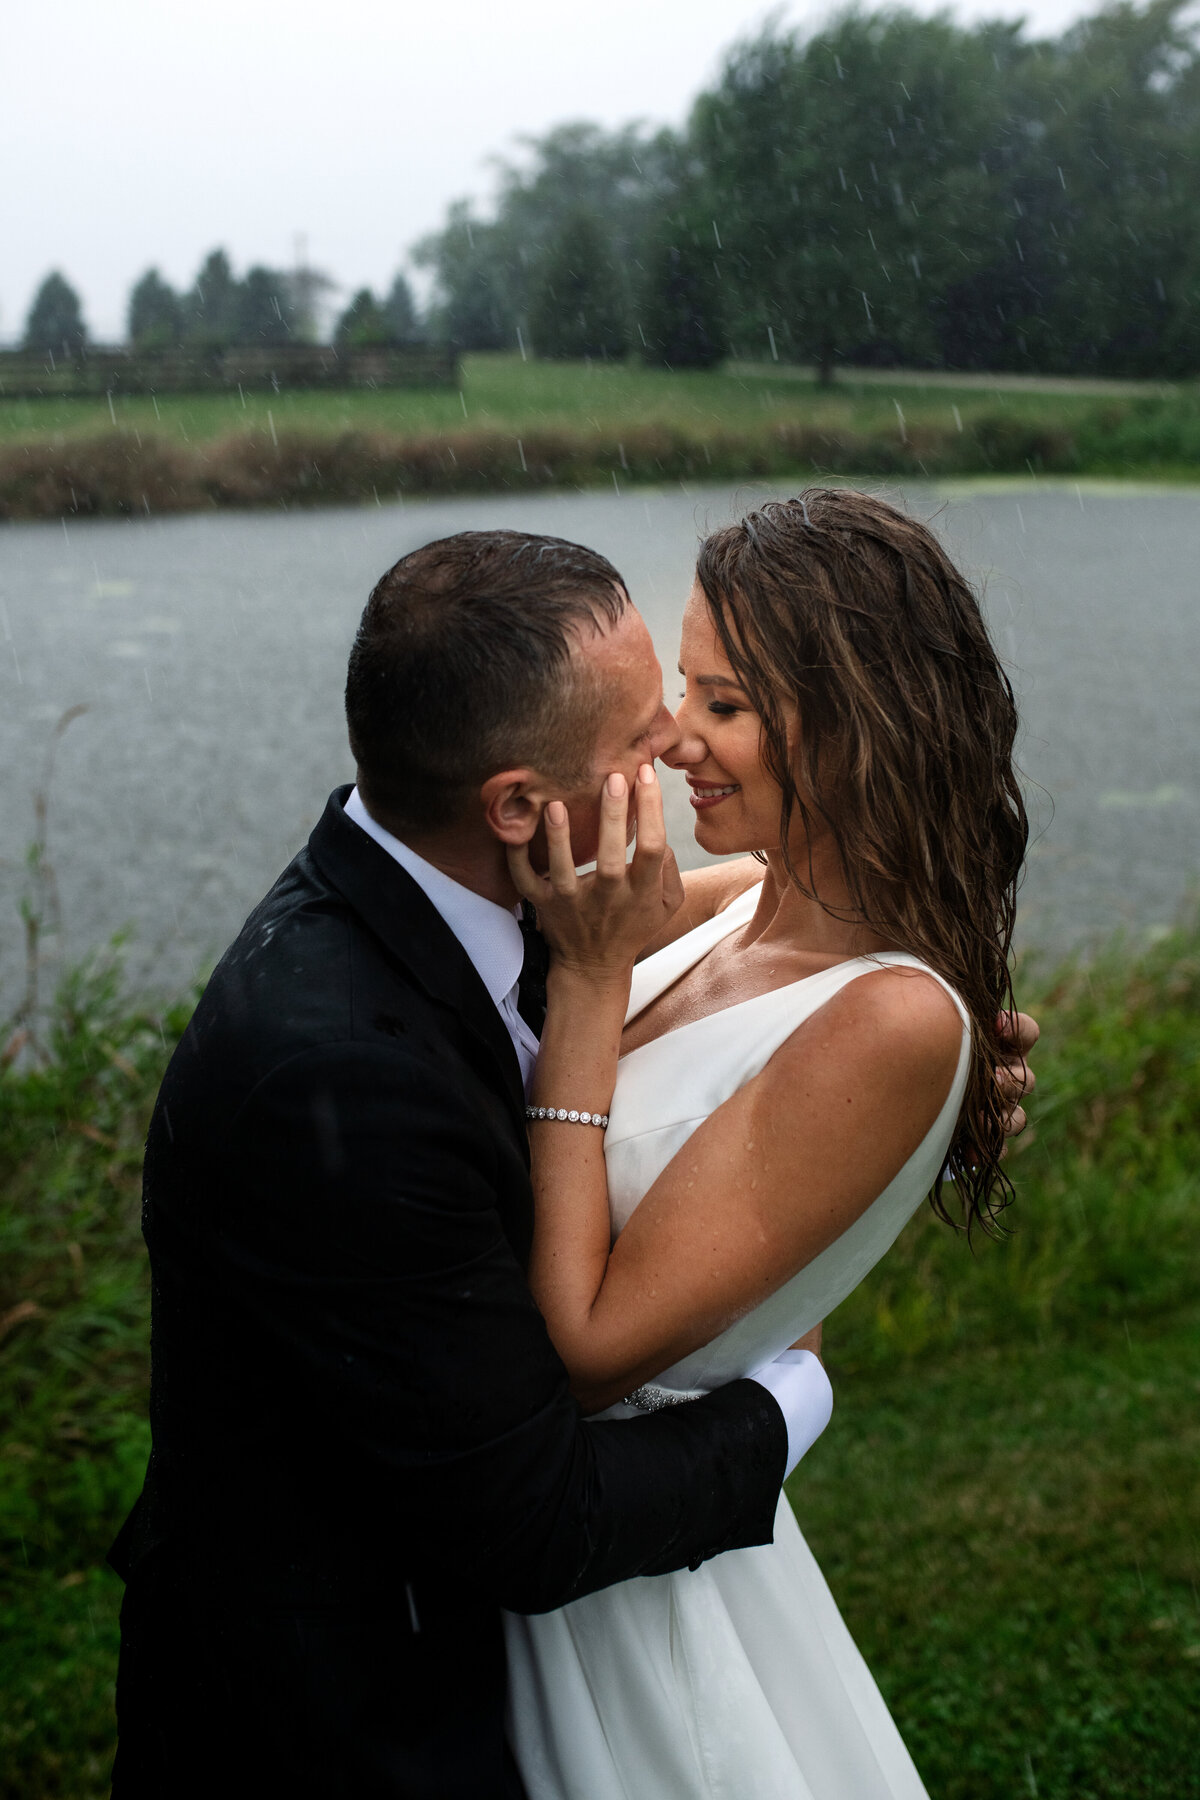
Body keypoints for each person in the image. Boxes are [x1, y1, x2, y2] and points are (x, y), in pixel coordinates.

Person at [108, 530, 842, 1800]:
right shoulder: (332, 1077)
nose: (674, 740)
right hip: (346, 1725)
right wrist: (789, 1392)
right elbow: (537, 1520)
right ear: (515, 805)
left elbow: (721, 922)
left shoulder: (472, 887)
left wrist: (908, 1017)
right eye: (635, 735)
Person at [502, 489, 1032, 1799]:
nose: (676, 737)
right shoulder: (736, 897)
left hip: (618, 1598)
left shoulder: (894, 1020)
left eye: (724, 705)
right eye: (689, 690)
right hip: (514, 1532)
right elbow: (518, 942)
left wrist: (586, 995)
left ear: (857, 727)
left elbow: (583, 1350)